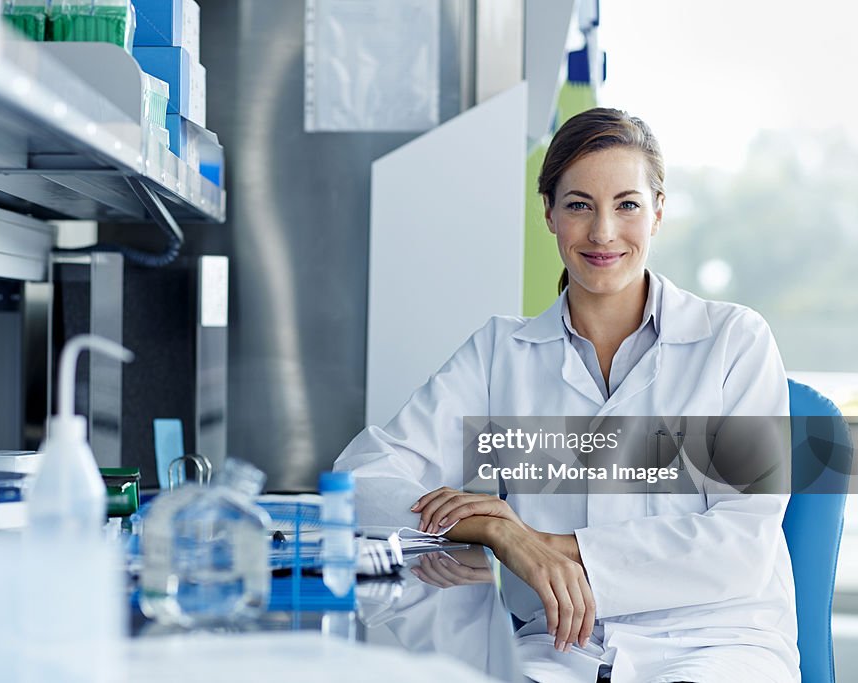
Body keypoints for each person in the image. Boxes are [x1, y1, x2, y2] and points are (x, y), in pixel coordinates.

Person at [334, 108, 798, 683]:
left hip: (714, 645)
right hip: (561, 651)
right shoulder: (501, 353)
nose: (603, 231)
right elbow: (361, 483)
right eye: (579, 204)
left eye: (626, 204)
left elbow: (742, 542)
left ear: (658, 211)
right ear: (549, 214)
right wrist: (495, 531)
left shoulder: (733, 341)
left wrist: (545, 543)